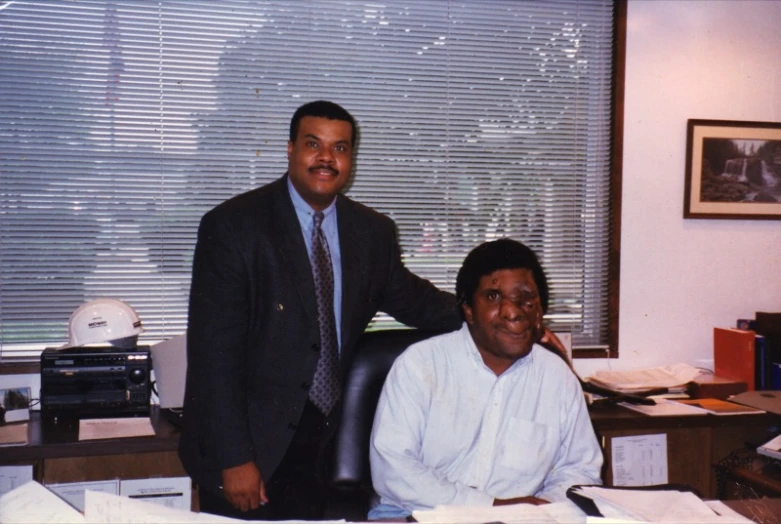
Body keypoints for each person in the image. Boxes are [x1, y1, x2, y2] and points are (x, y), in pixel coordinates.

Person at [178, 100, 463, 521]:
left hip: (326, 445)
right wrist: (234, 459)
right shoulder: (234, 227)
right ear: (291, 149)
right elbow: (213, 356)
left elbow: (419, 302)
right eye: (314, 144)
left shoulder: (372, 232)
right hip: (250, 446)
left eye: (341, 148)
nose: (327, 158)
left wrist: (503, 324)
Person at [369, 238, 603, 519]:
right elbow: (394, 469)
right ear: (468, 309)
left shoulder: (557, 378)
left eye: (526, 298)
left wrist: (539, 510)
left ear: (540, 309)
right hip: (419, 516)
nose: (513, 312)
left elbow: (580, 470)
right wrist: (490, 508)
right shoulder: (420, 365)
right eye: (493, 297)